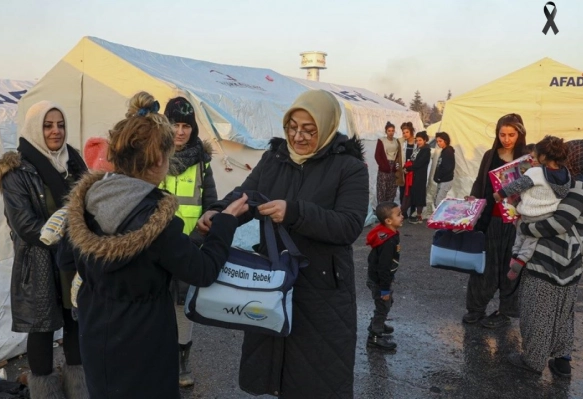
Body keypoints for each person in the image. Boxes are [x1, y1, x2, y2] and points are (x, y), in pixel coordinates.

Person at [59, 91, 249, 398]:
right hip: (144, 341)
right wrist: (226, 221)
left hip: (96, 334)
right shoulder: (156, 221)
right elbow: (203, 271)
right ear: (159, 160)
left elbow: (65, 262)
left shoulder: (87, 201)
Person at [197, 89, 369, 398]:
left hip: (322, 289)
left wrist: (295, 212)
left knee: (315, 379)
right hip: (274, 280)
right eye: (292, 127)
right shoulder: (274, 158)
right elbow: (246, 196)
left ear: (327, 126)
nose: (298, 136)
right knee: (275, 367)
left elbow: (348, 225)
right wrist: (220, 213)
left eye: (309, 129)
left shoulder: (349, 167)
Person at [0, 101, 89, 398]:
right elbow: (24, 224)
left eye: (60, 124)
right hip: (38, 262)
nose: (56, 131)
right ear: (35, 127)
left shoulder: (74, 161)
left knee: (76, 322)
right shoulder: (16, 171)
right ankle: (45, 393)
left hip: (72, 260)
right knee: (42, 330)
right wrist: (70, 233)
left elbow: (88, 205)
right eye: (48, 125)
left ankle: (79, 390)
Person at [507, 139, 583, 376]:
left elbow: (559, 223)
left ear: (577, 160)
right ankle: (562, 361)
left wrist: (524, 228)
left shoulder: (579, 188)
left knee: (538, 310)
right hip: (570, 262)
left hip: (548, 259)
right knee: (563, 313)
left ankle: (532, 360)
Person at [158, 96, 217, 387]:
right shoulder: (152, 157)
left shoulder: (203, 163)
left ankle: (182, 364)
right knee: (155, 305)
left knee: (183, 307)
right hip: (155, 247)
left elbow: (212, 205)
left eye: (186, 126)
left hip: (189, 247)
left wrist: (199, 235)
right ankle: (157, 359)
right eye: (175, 125)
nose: (180, 132)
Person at [463, 113, 527, 328]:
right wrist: (474, 199)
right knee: (485, 266)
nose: (507, 139)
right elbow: (481, 181)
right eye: (502, 134)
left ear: (520, 133)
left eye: (511, 134)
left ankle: (505, 311)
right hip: (492, 219)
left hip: (517, 223)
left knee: (511, 267)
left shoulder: (528, 158)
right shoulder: (491, 155)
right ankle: (476, 308)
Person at [493, 136, 570, 280]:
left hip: (529, 213)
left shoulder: (536, 172)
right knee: (531, 241)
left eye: (535, 156)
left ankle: (515, 256)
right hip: (547, 216)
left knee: (520, 234)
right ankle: (520, 260)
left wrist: (500, 194)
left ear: (544, 156)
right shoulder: (565, 174)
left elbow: (517, 185)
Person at [365, 201, 404, 351]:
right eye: (398, 214)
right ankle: (375, 336)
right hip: (380, 281)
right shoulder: (387, 241)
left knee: (386, 304)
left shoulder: (390, 233)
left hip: (380, 278)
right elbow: (383, 268)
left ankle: (377, 323)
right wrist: (385, 289)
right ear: (388, 221)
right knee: (383, 306)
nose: (402, 216)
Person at [401, 131, 431, 224]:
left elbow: (418, 164)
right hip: (413, 175)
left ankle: (418, 215)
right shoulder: (418, 149)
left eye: (420, 140)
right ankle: (403, 214)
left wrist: (408, 168)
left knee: (417, 195)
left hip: (419, 177)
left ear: (425, 140)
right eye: (417, 140)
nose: (418, 142)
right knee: (409, 195)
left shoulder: (426, 150)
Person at [375, 121, 403, 204]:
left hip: (393, 166)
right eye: (389, 131)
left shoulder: (396, 141)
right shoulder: (381, 140)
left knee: (392, 188)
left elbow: (398, 155)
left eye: (392, 131)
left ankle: (389, 208)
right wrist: (383, 166)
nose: (391, 133)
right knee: (382, 188)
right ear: (386, 131)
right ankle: (381, 208)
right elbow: (377, 155)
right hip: (384, 166)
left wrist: (396, 166)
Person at [432, 132, 456, 209]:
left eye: (440, 141)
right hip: (443, 180)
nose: (438, 143)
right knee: (438, 200)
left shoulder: (448, 151)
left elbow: (448, 167)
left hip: (445, 180)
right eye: (437, 141)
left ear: (445, 141)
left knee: (439, 201)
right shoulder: (444, 151)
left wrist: (439, 177)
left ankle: (440, 219)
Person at [399, 122, 417, 218]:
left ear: (411, 132)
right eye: (403, 132)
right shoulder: (402, 143)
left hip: (413, 170)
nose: (405, 134)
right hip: (404, 170)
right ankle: (403, 211)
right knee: (402, 190)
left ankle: (413, 211)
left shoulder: (417, 143)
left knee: (412, 190)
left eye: (407, 132)